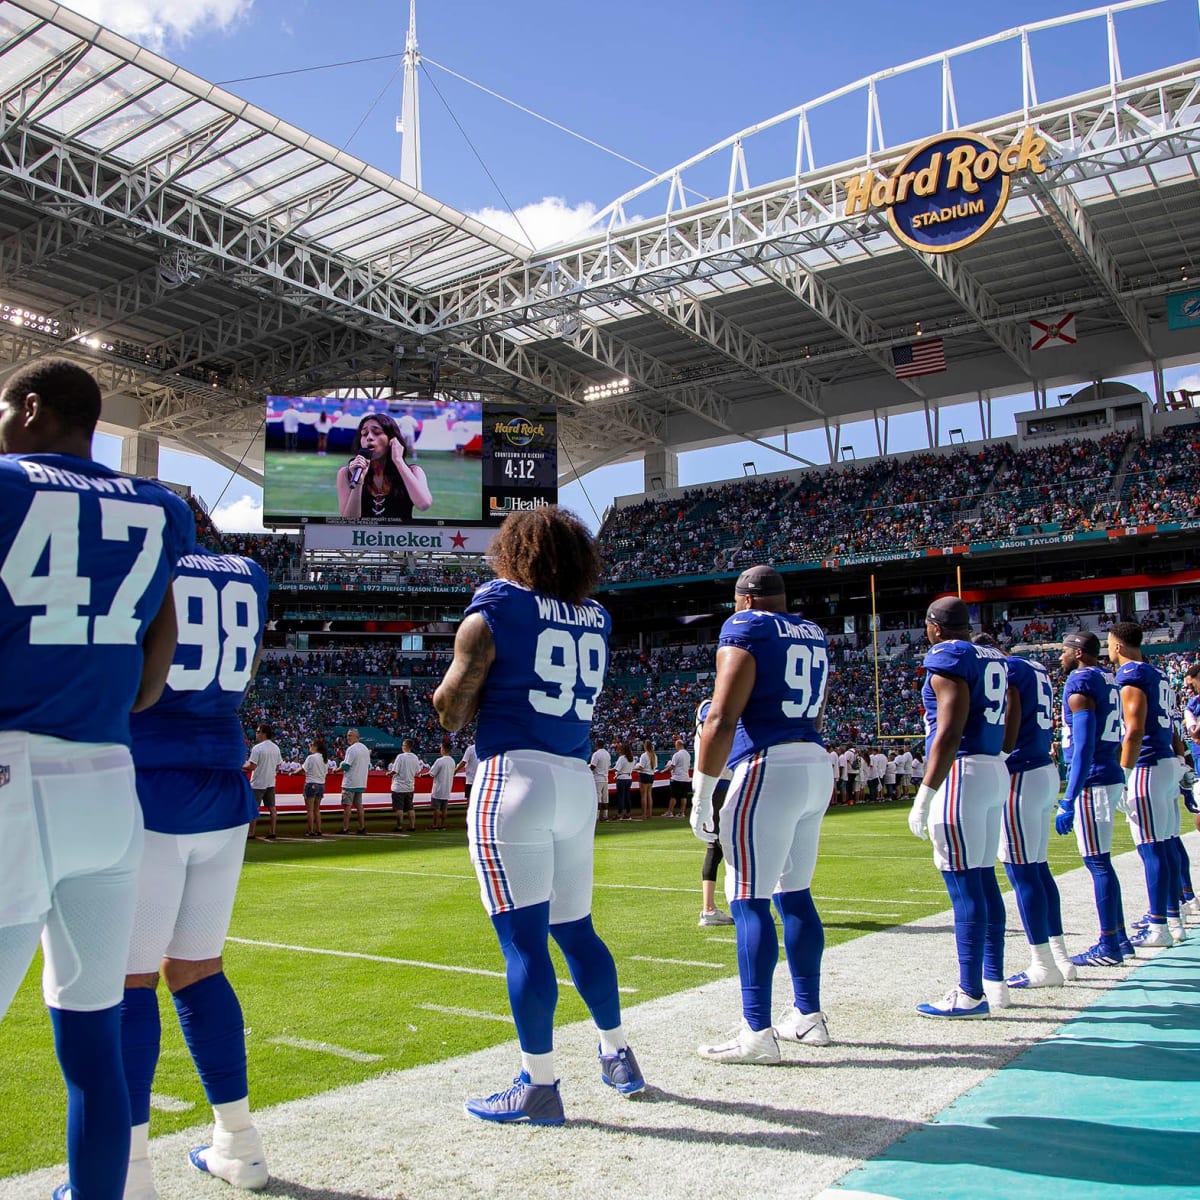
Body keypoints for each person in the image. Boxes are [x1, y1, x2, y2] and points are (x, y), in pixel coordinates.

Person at [0, 357, 194, 1200]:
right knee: (95, 1045)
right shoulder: (162, 506)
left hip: (12, 774)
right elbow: (159, 657)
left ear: (33, 407)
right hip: (110, 780)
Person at [433, 506, 642, 1123]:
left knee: (524, 943)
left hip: (513, 779)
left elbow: (452, 712)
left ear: (513, 551)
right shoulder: (596, 617)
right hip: (576, 781)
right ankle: (616, 1053)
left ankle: (539, 1082)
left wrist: (447, 690)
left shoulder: (495, 605)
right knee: (577, 929)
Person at [121, 548, 271, 1199]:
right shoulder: (248, 573)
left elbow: (133, 678)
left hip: (151, 783)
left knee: (123, 982)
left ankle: (126, 1173)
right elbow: (251, 665)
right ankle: (239, 1144)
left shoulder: (143, 554)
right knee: (196, 968)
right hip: (221, 783)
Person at [692, 565, 834, 1063]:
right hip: (815, 761)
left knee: (748, 898)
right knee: (795, 894)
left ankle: (757, 1032)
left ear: (746, 600)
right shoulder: (812, 632)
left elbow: (722, 715)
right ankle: (809, 1016)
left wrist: (701, 790)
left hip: (768, 766)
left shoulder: (747, 626)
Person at [907, 596, 1009, 1018]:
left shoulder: (946, 654)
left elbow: (949, 728)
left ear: (934, 626)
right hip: (991, 768)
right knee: (984, 880)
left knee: (964, 883)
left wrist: (926, 792)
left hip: (962, 772)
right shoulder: (993, 656)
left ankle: (970, 992)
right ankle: (994, 982)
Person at [975, 636, 1074, 989]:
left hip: (1020, 772)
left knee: (1021, 871)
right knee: (1037, 867)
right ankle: (1060, 957)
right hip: (1043, 769)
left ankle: (1043, 963)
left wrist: (1001, 754)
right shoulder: (1035, 666)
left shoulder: (1009, 669)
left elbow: (1011, 705)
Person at [1054, 631, 1133, 966]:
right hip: (1107, 772)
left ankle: (1110, 944)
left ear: (1078, 652)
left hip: (1094, 778)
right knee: (1101, 861)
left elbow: (1084, 745)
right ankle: (1120, 937)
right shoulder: (1108, 679)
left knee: (1097, 861)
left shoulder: (1082, 680)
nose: (1060, 658)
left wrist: (1069, 797)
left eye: (1064, 651)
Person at [1109, 621, 1187, 949]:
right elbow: (1170, 726)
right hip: (1166, 760)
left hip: (1148, 764)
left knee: (1151, 845)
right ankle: (1172, 916)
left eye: (1110, 644)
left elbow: (1134, 729)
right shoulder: (1157, 674)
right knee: (1166, 842)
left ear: (1119, 646)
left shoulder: (1132, 675)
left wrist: (1123, 776)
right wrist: (1183, 761)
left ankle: (1160, 926)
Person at [337, 413, 431, 520]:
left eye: (377, 432)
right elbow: (349, 521)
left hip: (400, 536)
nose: (369, 437)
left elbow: (423, 505)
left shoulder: (414, 471)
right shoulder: (346, 473)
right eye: (364, 433)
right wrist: (359, 482)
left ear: (392, 439)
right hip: (363, 536)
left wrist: (399, 461)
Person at [694, 698, 734, 928]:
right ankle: (711, 908)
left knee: (719, 846)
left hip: (715, 782)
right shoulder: (710, 706)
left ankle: (712, 908)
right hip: (718, 782)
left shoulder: (708, 707)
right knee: (723, 845)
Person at [244, 723, 282, 840]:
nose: (256, 733)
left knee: (254, 808)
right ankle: (273, 831)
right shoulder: (276, 747)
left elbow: (252, 766)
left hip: (258, 782)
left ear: (263, 734)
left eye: (258, 731)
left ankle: (251, 832)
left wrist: (241, 766)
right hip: (270, 781)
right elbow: (278, 765)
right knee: (272, 808)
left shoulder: (257, 748)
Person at [339, 728, 371, 834]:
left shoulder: (351, 749)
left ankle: (345, 828)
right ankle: (362, 827)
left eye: (350, 735)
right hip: (361, 781)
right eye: (348, 735)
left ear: (356, 737)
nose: (348, 737)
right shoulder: (365, 749)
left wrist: (337, 769)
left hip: (350, 781)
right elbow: (368, 765)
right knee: (359, 805)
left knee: (347, 806)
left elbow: (346, 765)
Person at [388, 738, 424, 833]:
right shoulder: (415, 757)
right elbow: (417, 771)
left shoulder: (400, 757)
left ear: (405, 746)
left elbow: (395, 770)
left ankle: (399, 826)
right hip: (410, 786)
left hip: (399, 786)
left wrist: (389, 774)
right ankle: (412, 826)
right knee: (410, 808)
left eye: (403, 745)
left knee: (399, 808)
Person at [427, 740, 456, 831]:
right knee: (444, 808)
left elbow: (432, 773)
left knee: (436, 808)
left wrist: (422, 775)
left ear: (443, 749)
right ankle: (443, 824)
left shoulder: (440, 761)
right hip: (447, 787)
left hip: (438, 787)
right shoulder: (452, 761)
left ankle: (435, 825)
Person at [302, 738, 328, 837]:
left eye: (311, 745)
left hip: (311, 783)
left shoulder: (311, 758)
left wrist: (293, 773)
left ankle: (310, 830)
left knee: (310, 810)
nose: (310, 747)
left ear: (315, 747)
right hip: (321, 784)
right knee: (317, 809)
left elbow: (303, 769)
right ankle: (319, 829)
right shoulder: (325, 759)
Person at [665, 735, 691, 818]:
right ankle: (682, 812)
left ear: (678, 745)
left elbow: (672, 766)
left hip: (677, 778)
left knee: (673, 796)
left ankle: (670, 811)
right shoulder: (688, 754)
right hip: (686, 778)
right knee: (684, 796)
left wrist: (664, 771)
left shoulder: (677, 755)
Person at [590, 738, 612, 822]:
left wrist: (587, 767)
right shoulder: (607, 754)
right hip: (605, 778)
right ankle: (605, 815)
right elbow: (609, 766)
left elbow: (593, 766)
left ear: (597, 745)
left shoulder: (596, 754)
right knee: (605, 798)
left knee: (598, 797)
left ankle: (597, 816)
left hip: (598, 778)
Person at [613, 743, 634, 821]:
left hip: (621, 778)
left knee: (621, 797)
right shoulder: (632, 758)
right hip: (629, 778)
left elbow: (616, 769)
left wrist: (607, 769)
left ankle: (619, 814)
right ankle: (628, 813)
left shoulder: (622, 758)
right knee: (627, 797)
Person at [636, 739, 656, 820]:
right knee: (649, 795)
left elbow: (641, 767)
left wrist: (633, 768)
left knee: (643, 796)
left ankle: (644, 814)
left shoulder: (644, 755)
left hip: (644, 775)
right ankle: (649, 813)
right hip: (651, 775)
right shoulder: (654, 755)